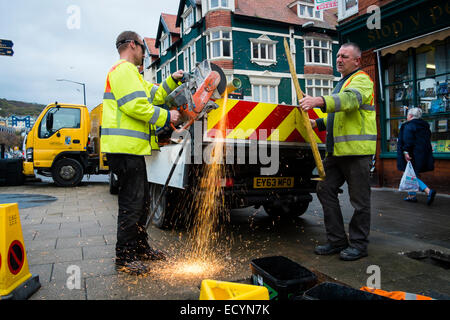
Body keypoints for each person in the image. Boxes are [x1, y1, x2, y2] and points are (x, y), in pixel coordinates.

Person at [101, 30, 182, 275]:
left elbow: (155, 93)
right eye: (143, 51)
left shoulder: (131, 75)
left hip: (131, 151)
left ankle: (140, 248)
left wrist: (173, 80)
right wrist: (167, 116)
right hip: (124, 151)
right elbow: (135, 105)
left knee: (142, 202)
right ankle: (125, 257)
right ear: (134, 45)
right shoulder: (123, 70)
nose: (144, 56)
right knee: (131, 204)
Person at [299, 42, 377, 261]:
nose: (339, 60)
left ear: (357, 60)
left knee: (360, 201)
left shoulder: (362, 80)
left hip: (357, 152)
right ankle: (337, 241)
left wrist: (318, 101)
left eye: (344, 56)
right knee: (324, 189)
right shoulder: (341, 84)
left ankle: (359, 245)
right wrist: (319, 124)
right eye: (338, 56)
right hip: (337, 152)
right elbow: (339, 115)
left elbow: (350, 102)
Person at [397, 107, 435, 205]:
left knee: (410, 175)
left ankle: (428, 191)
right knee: (411, 173)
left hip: (411, 153)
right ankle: (412, 196)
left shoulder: (408, 125)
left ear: (410, 116)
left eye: (407, 115)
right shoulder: (424, 126)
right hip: (421, 154)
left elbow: (407, 139)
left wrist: (405, 152)